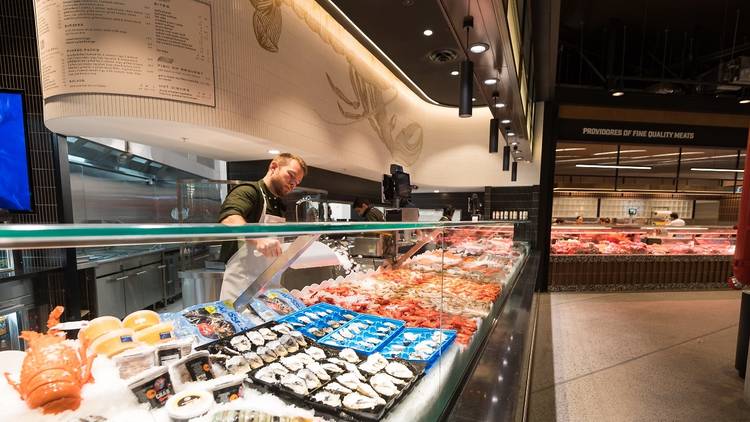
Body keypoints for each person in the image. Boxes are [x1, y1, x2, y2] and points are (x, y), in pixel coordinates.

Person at [218, 153, 307, 301]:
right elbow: (230, 217)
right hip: (240, 289)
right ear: (274, 167)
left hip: (268, 290)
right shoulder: (248, 191)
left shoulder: (279, 205)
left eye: (297, 182)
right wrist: (258, 239)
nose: (293, 184)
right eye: (290, 176)